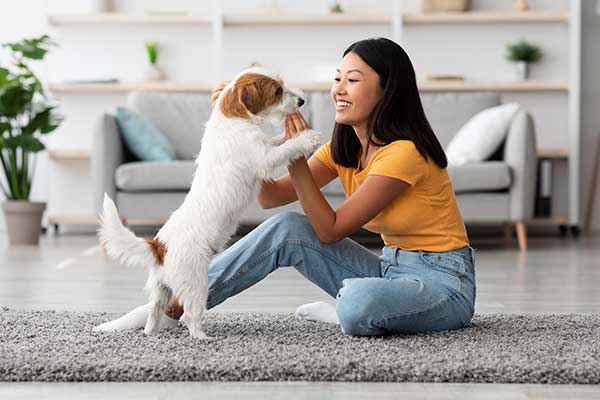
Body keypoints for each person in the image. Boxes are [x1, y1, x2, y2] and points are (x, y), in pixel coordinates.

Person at [93, 37, 476, 337]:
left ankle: (349, 311)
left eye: (353, 81)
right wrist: (238, 123)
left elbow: (330, 229)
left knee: (359, 302)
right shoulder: (343, 148)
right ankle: (172, 308)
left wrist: (293, 158)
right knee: (286, 228)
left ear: (387, 91)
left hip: (444, 283)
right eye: (337, 78)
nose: (340, 89)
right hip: (389, 269)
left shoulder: (404, 153)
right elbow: (270, 196)